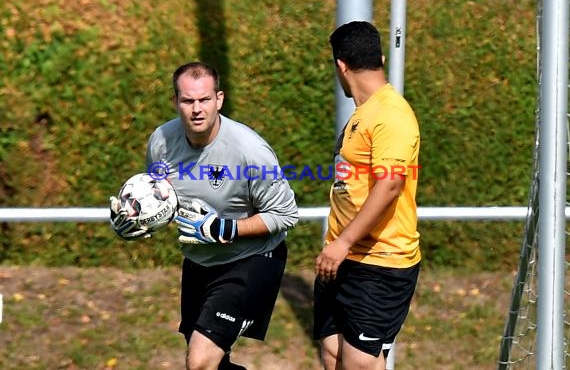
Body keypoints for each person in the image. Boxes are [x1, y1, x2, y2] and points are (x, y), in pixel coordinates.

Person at [111, 61, 298, 370]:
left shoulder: (250, 151)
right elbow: (162, 198)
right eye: (188, 101)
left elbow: (286, 214)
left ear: (219, 99)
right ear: (175, 102)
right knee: (213, 364)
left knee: (200, 361)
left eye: (204, 100)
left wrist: (224, 227)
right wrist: (137, 217)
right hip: (200, 261)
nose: (197, 109)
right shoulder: (161, 143)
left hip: (253, 259)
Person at [313, 21, 421, 370]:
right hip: (342, 260)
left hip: (379, 263)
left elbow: (390, 186)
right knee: (333, 354)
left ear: (341, 65)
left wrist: (343, 242)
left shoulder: (391, 114)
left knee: (361, 364)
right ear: (381, 58)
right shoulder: (365, 113)